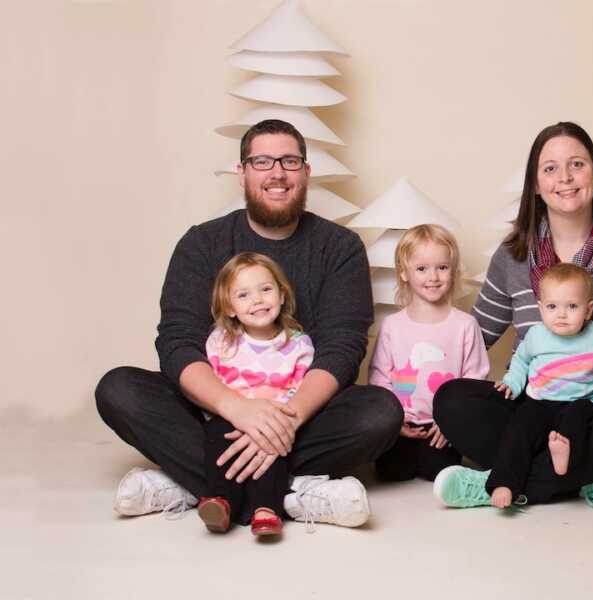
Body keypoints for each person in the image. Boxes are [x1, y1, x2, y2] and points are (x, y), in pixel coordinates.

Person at [96, 119, 403, 527]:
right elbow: (177, 342)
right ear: (242, 173)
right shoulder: (202, 243)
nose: (277, 173)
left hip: (299, 410)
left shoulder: (339, 247)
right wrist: (238, 410)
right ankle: (289, 495)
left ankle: (199, 487)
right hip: (216, 413)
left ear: (306, 172)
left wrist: (285, 418)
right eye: (262, 161)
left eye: (290, 161)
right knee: (119, 389)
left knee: (380, 413)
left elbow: (342, 349)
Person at [432, 121, 593, 508]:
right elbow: (474, 338)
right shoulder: (512, 257)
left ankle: (499, 483)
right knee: (451, 399)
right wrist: (423, 398)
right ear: (535, 185)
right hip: (532, 406)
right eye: (550, 168)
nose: (564, 177)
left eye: (577, 164)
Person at [437, 263, 593, 509]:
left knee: (579, 423)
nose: (561, 314)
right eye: (552, 307)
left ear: (589, 309)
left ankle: (560, 463)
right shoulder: (537, 336)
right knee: (520, 430)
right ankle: (505, 482)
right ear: (541, 309)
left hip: (583, 402)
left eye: (572, 306)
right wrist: (511, 384)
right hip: (539, 401)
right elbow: (520, 362)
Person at [198, 252, 314, 537]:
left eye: (266, 289)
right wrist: (240, 418)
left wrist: (266, 424)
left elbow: (300, 389)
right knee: (218, 439)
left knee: (274, 448)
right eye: (244, 295)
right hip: (230, 419)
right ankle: (221, 501)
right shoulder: (220, 342)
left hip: (277, 420)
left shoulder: (298, 345)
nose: (258, 300)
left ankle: (266, 508)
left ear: (282, 295)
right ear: (229, 308)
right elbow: (212, 385)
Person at [368, 224, 490, 482]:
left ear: (452, 271)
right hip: (401, 424)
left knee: (438, 472)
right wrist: (394, 420)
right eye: (422, 268)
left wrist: (452, 423)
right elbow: (379, 376)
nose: (433, 277)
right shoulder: (392, 326)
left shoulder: (465, 325)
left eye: (442, 267)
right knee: (391, 473)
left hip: (442, 427)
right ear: (404, 273)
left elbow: (475, 380)